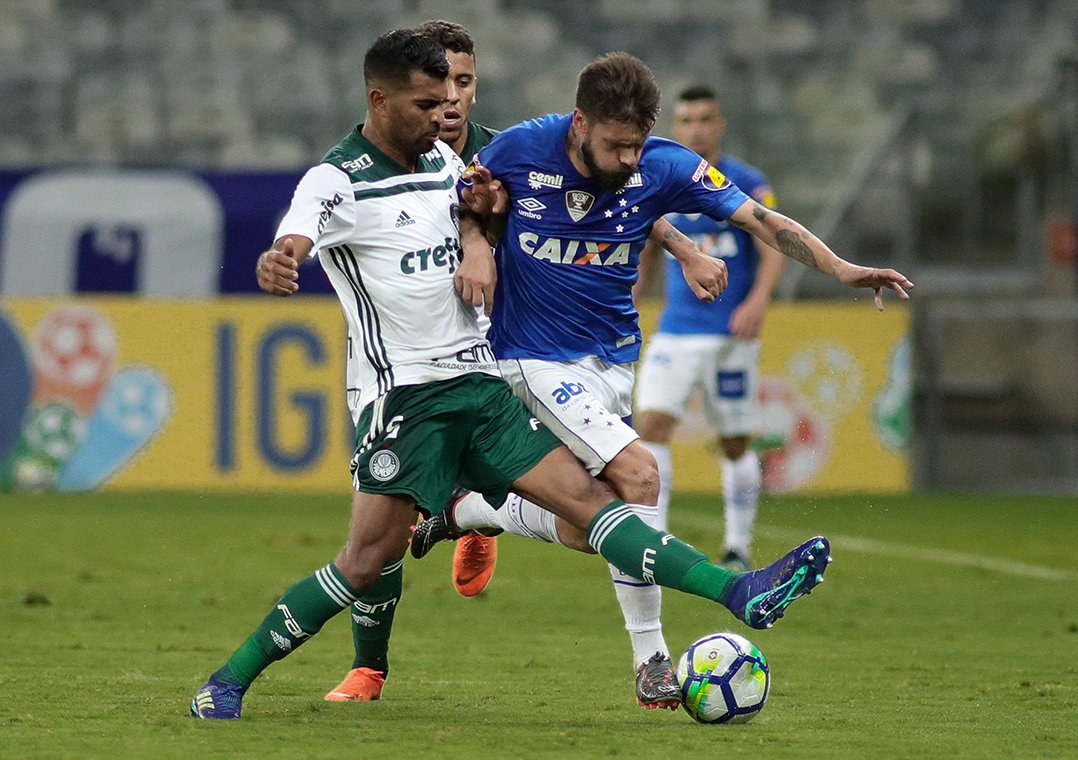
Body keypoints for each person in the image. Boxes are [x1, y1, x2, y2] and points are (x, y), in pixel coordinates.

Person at [191, 29, 832, 720]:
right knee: (363, 563)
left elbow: (582, 197)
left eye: (451, 96)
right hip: (409, 399)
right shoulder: (338, 179)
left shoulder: (452, 162)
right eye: (427, 101)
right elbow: (298, 232)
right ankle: (228, 681)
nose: (445, 112)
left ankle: (741, 593)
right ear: (379, 100)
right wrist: (281, 258)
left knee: (596, 510)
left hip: (484, 385)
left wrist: (498, 232)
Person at [420, 50, 911, 712]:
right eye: (616, 145)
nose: (628, 159)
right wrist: (479, 242)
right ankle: (656, 654)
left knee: (580, 522)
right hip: (529, 356)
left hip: (613, 360)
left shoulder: (662, 163)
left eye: (637, 146)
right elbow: (465, 205)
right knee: (642, 473)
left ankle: (471, 511)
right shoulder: (519, 150)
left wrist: (843, 269)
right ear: (579, 123)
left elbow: (764, 223)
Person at [634, 85, 786, 571]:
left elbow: (774, 244)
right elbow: (648, 251)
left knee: (734, 442)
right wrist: (627, 304)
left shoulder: (746, 181)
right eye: (686, 120)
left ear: (719, 125)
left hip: (729, 335)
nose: (695, 128)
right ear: (675, 128)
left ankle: (737, 546)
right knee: (650, 426)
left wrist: (759, 300)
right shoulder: (660, 179)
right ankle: (654, 544)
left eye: (704, 118)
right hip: (676, 331)